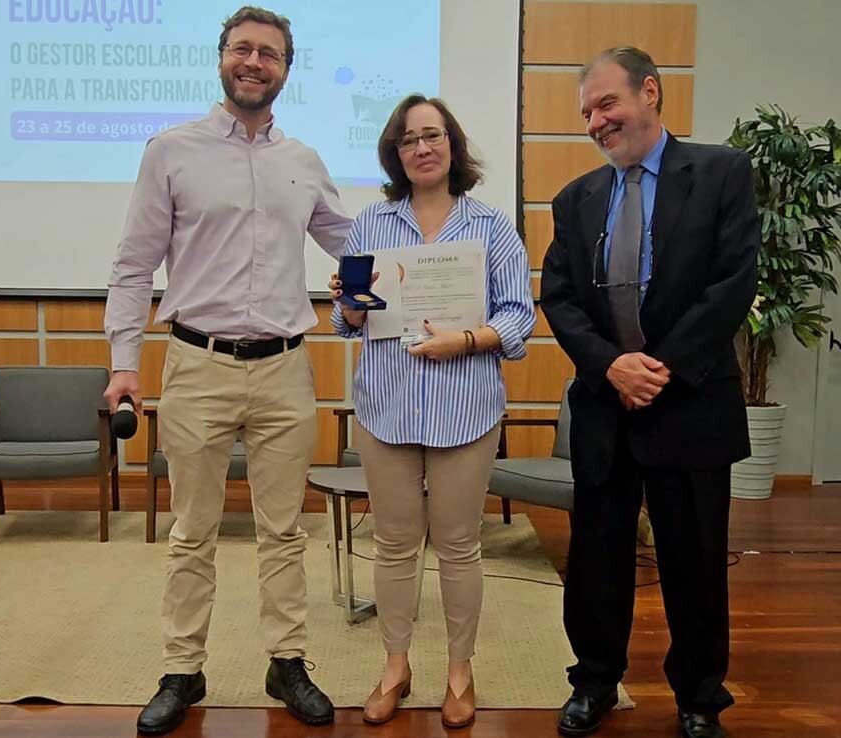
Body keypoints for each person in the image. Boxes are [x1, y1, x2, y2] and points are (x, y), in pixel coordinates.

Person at [103, 6, 352, 735]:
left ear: (285, 69)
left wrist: (428, 249)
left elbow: (353, 244)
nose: (254, 62)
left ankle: (288, 660)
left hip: (285, 369)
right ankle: (182, 668)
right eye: (242, 49)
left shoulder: (302, 161)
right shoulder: (171, 151)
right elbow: (132, 264)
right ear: (221, 59)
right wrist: (124, 365)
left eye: (268, 53)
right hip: (197, 363)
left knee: (284, 531)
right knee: (192, 529)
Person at [540, 47, 759, 738]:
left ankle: (698, 699)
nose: (597, 122)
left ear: (651, 93)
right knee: (597, 560)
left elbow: (733, 284)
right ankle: (595, 683)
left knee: (694, 562)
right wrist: (613, 367)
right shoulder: (576, 199)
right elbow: (562, 297)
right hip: (607, 409)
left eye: (607, 104)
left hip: (690, 401)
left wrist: (655, 367)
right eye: (586, 114)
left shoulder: (721, 172)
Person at [329, 94, 535, 728]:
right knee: (393, 546)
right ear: (395, 152)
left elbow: (518, 316)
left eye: (433, 136)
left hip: (465, 408)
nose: (422, 147)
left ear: (453, 146)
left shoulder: (492, 226)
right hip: (385, 408)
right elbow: (347, 321)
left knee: (458, 546)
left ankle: (459, 671)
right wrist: (353, 303)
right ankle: (395, 666)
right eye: (409, 139)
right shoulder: (369, 224)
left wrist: (466, 341)